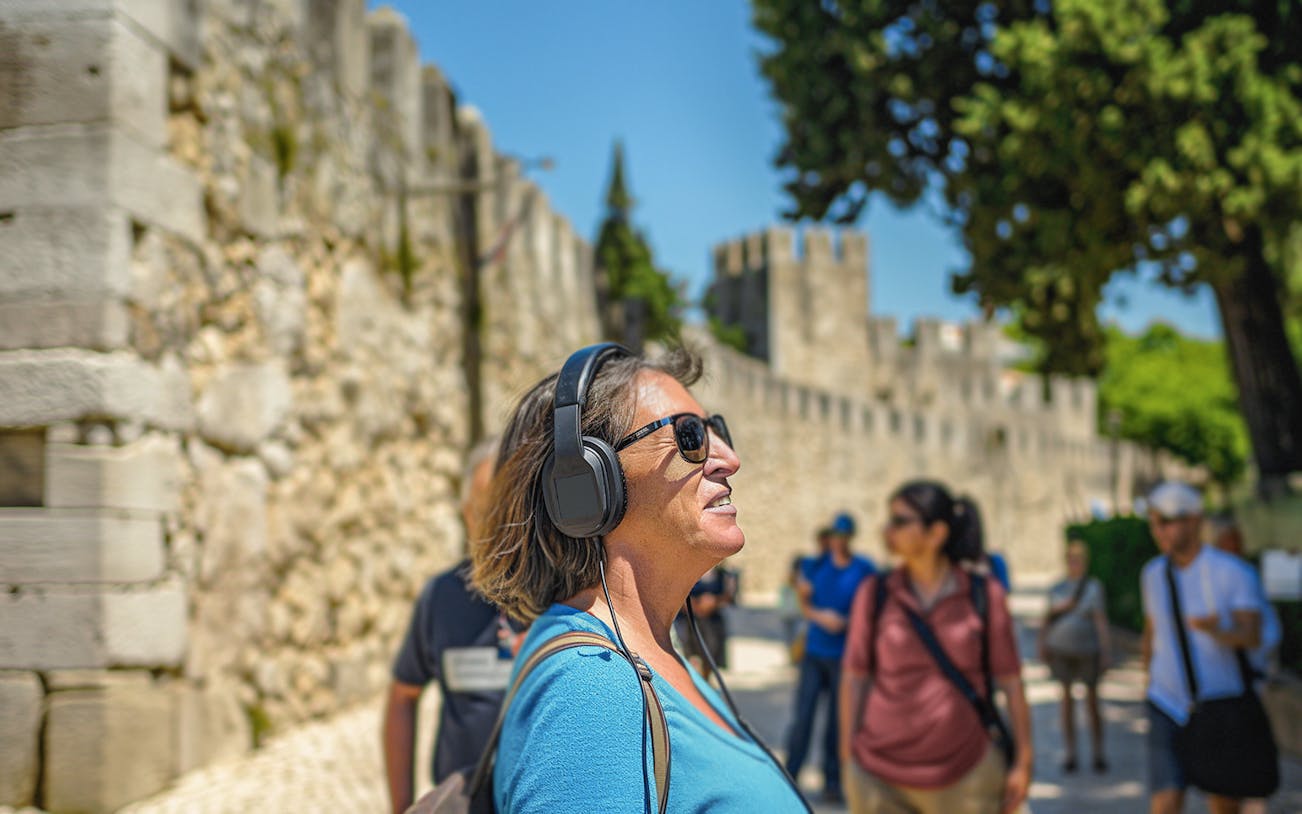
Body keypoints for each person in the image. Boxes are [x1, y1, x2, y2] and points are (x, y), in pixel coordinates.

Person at [471, 343, 808, 813]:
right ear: (589, 483)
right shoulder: (590, 688)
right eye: (691, 436)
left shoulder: (647, 655)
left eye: (718, 431)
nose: (729, 459)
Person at [840, 481, 1033, 814]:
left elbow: (1011, 681)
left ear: (936, 533)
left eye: (900, 521)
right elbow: (854, 678)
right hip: (879, 778)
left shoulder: (984, 595)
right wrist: (848, 759)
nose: (888, 530)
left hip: (968, 774)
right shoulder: (874, 594)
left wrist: (1024, 762)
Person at [382, 439, 524, 814]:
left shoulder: (561, 595)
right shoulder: (441, 598)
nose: (496, 529)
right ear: (465, 514)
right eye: (484, 511)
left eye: (506, 511)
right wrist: (402, 805)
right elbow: (403, 696)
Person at [1141, 482, 1266, 814]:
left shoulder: (1232, 573)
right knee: (1165, 801)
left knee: (1224, 803)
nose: (1160, 531)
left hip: (1220, 702)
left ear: (1194, 520)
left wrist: (1217, 631)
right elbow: (1152, 632)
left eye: (1167, 521)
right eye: (1154, 522)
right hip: (1166, 701)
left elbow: (1252, 635)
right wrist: (1147, 676)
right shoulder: (1152, 574)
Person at [785, 512, 875, 804]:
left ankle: (832, 782)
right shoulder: (815, 566)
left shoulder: (863, 570)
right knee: (804, 717)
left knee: (838, 722)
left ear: (850, 538)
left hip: (844, 658)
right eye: (834, 536)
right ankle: (789, 776)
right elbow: (803, 602)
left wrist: (849, 623)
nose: (838, 541)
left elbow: (873, 607)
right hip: (815, 653)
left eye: (843, 536)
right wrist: (821, 617)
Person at [1038, 539, 1111, 774]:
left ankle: (1098, 753)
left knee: (1092, 702)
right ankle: (1071, 753)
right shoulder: (1056, 588)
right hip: (1061, 650)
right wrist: (1042, 644)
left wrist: (1105, 651)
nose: (1074, 563)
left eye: (1078, 559)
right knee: (1066, 701)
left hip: (1087, 650)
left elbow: (1101, 621)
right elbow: (1046, 619)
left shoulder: (1093, 587)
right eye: (1071, 559)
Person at [675, 563, 738, 682]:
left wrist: (714, 602)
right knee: (688, 653)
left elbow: (730, 596)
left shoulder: (723, 573)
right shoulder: (684, 571)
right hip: (687, 620)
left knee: (710, 652)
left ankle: (705, 683)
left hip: (712, 621)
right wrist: (693, 607)